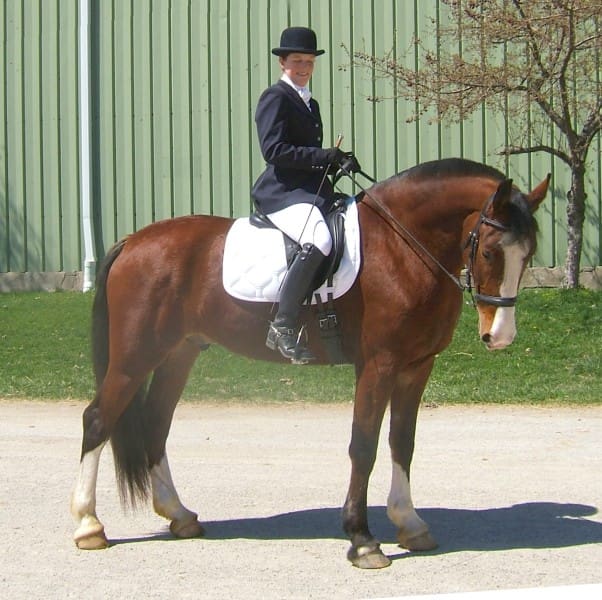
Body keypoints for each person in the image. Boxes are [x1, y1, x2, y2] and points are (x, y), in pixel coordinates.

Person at [251, 26, 361, 364]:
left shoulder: (308, 102)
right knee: (319, 240)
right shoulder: (275, 97)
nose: (303, 68)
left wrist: (336, 162)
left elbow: (310, 155)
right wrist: (322, 156)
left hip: (308, 190)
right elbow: (275, 151)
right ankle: (282, 324)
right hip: (281, 192)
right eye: (297, 61)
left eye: (309, 62)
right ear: (282, 62)